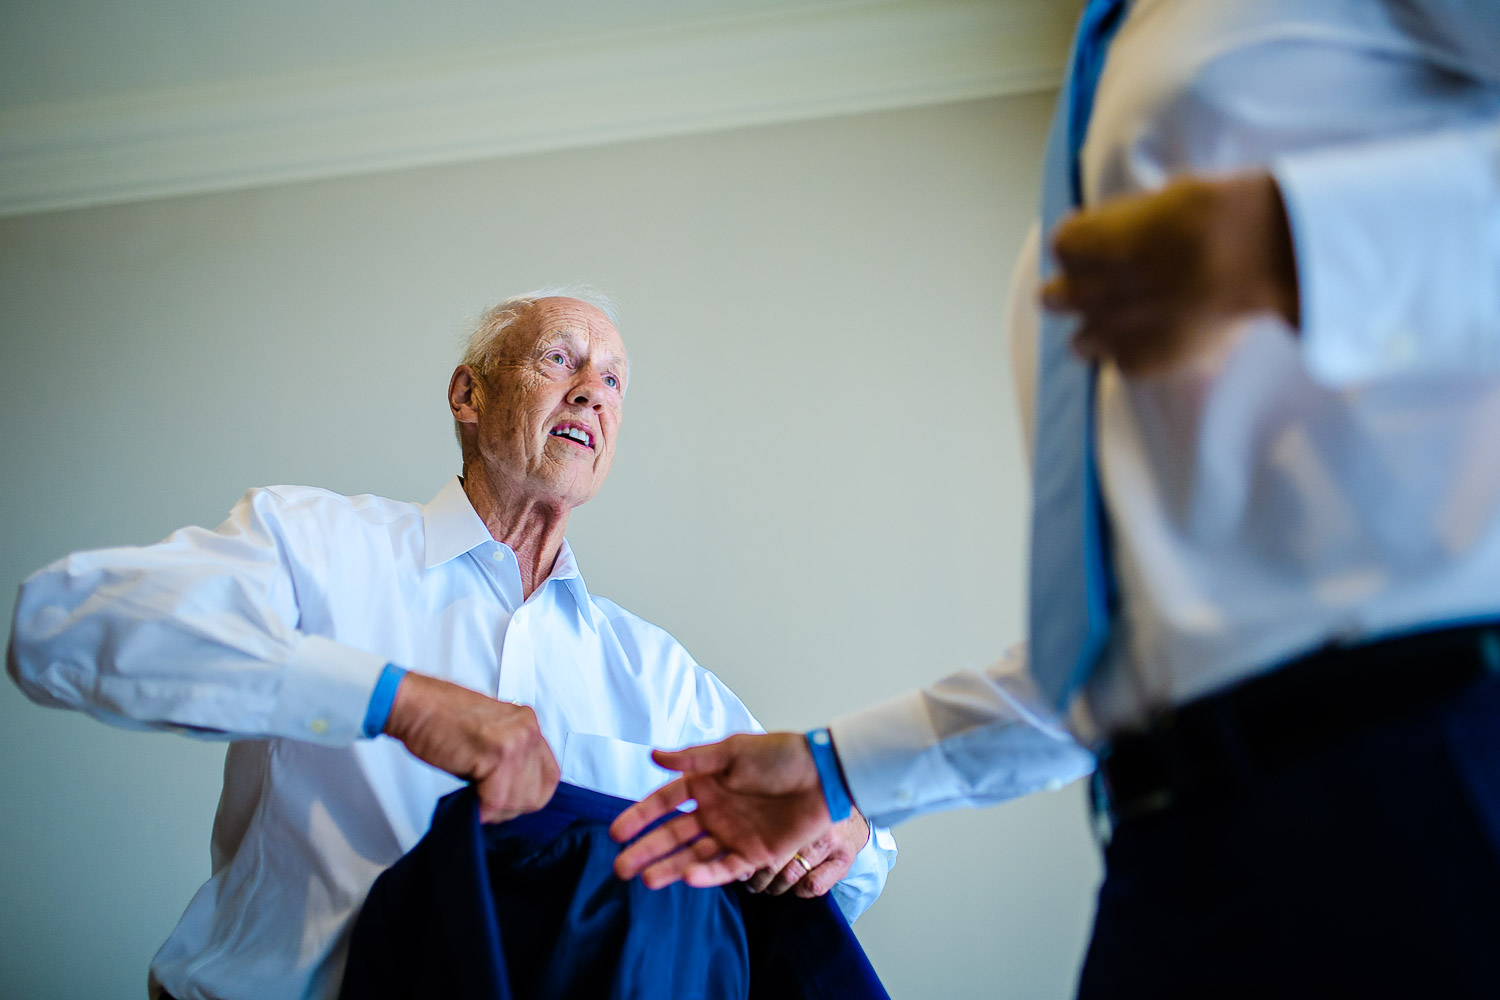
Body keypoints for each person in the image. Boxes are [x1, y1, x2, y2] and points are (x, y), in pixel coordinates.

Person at [613, 2, 1500, 995]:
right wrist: (833, 768)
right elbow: (1118, 653)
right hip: (1173, 859)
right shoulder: (1106, 87)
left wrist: (1282, 241)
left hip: (1436, 773)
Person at [7, 290, 895, 999]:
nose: (593, 390)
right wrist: (401, 701)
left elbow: (830, 869)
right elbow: (63, 627)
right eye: (561, 359)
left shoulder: (657, 674)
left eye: (616, 381)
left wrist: (845, 831)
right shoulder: (313, 543)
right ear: (469, 393)